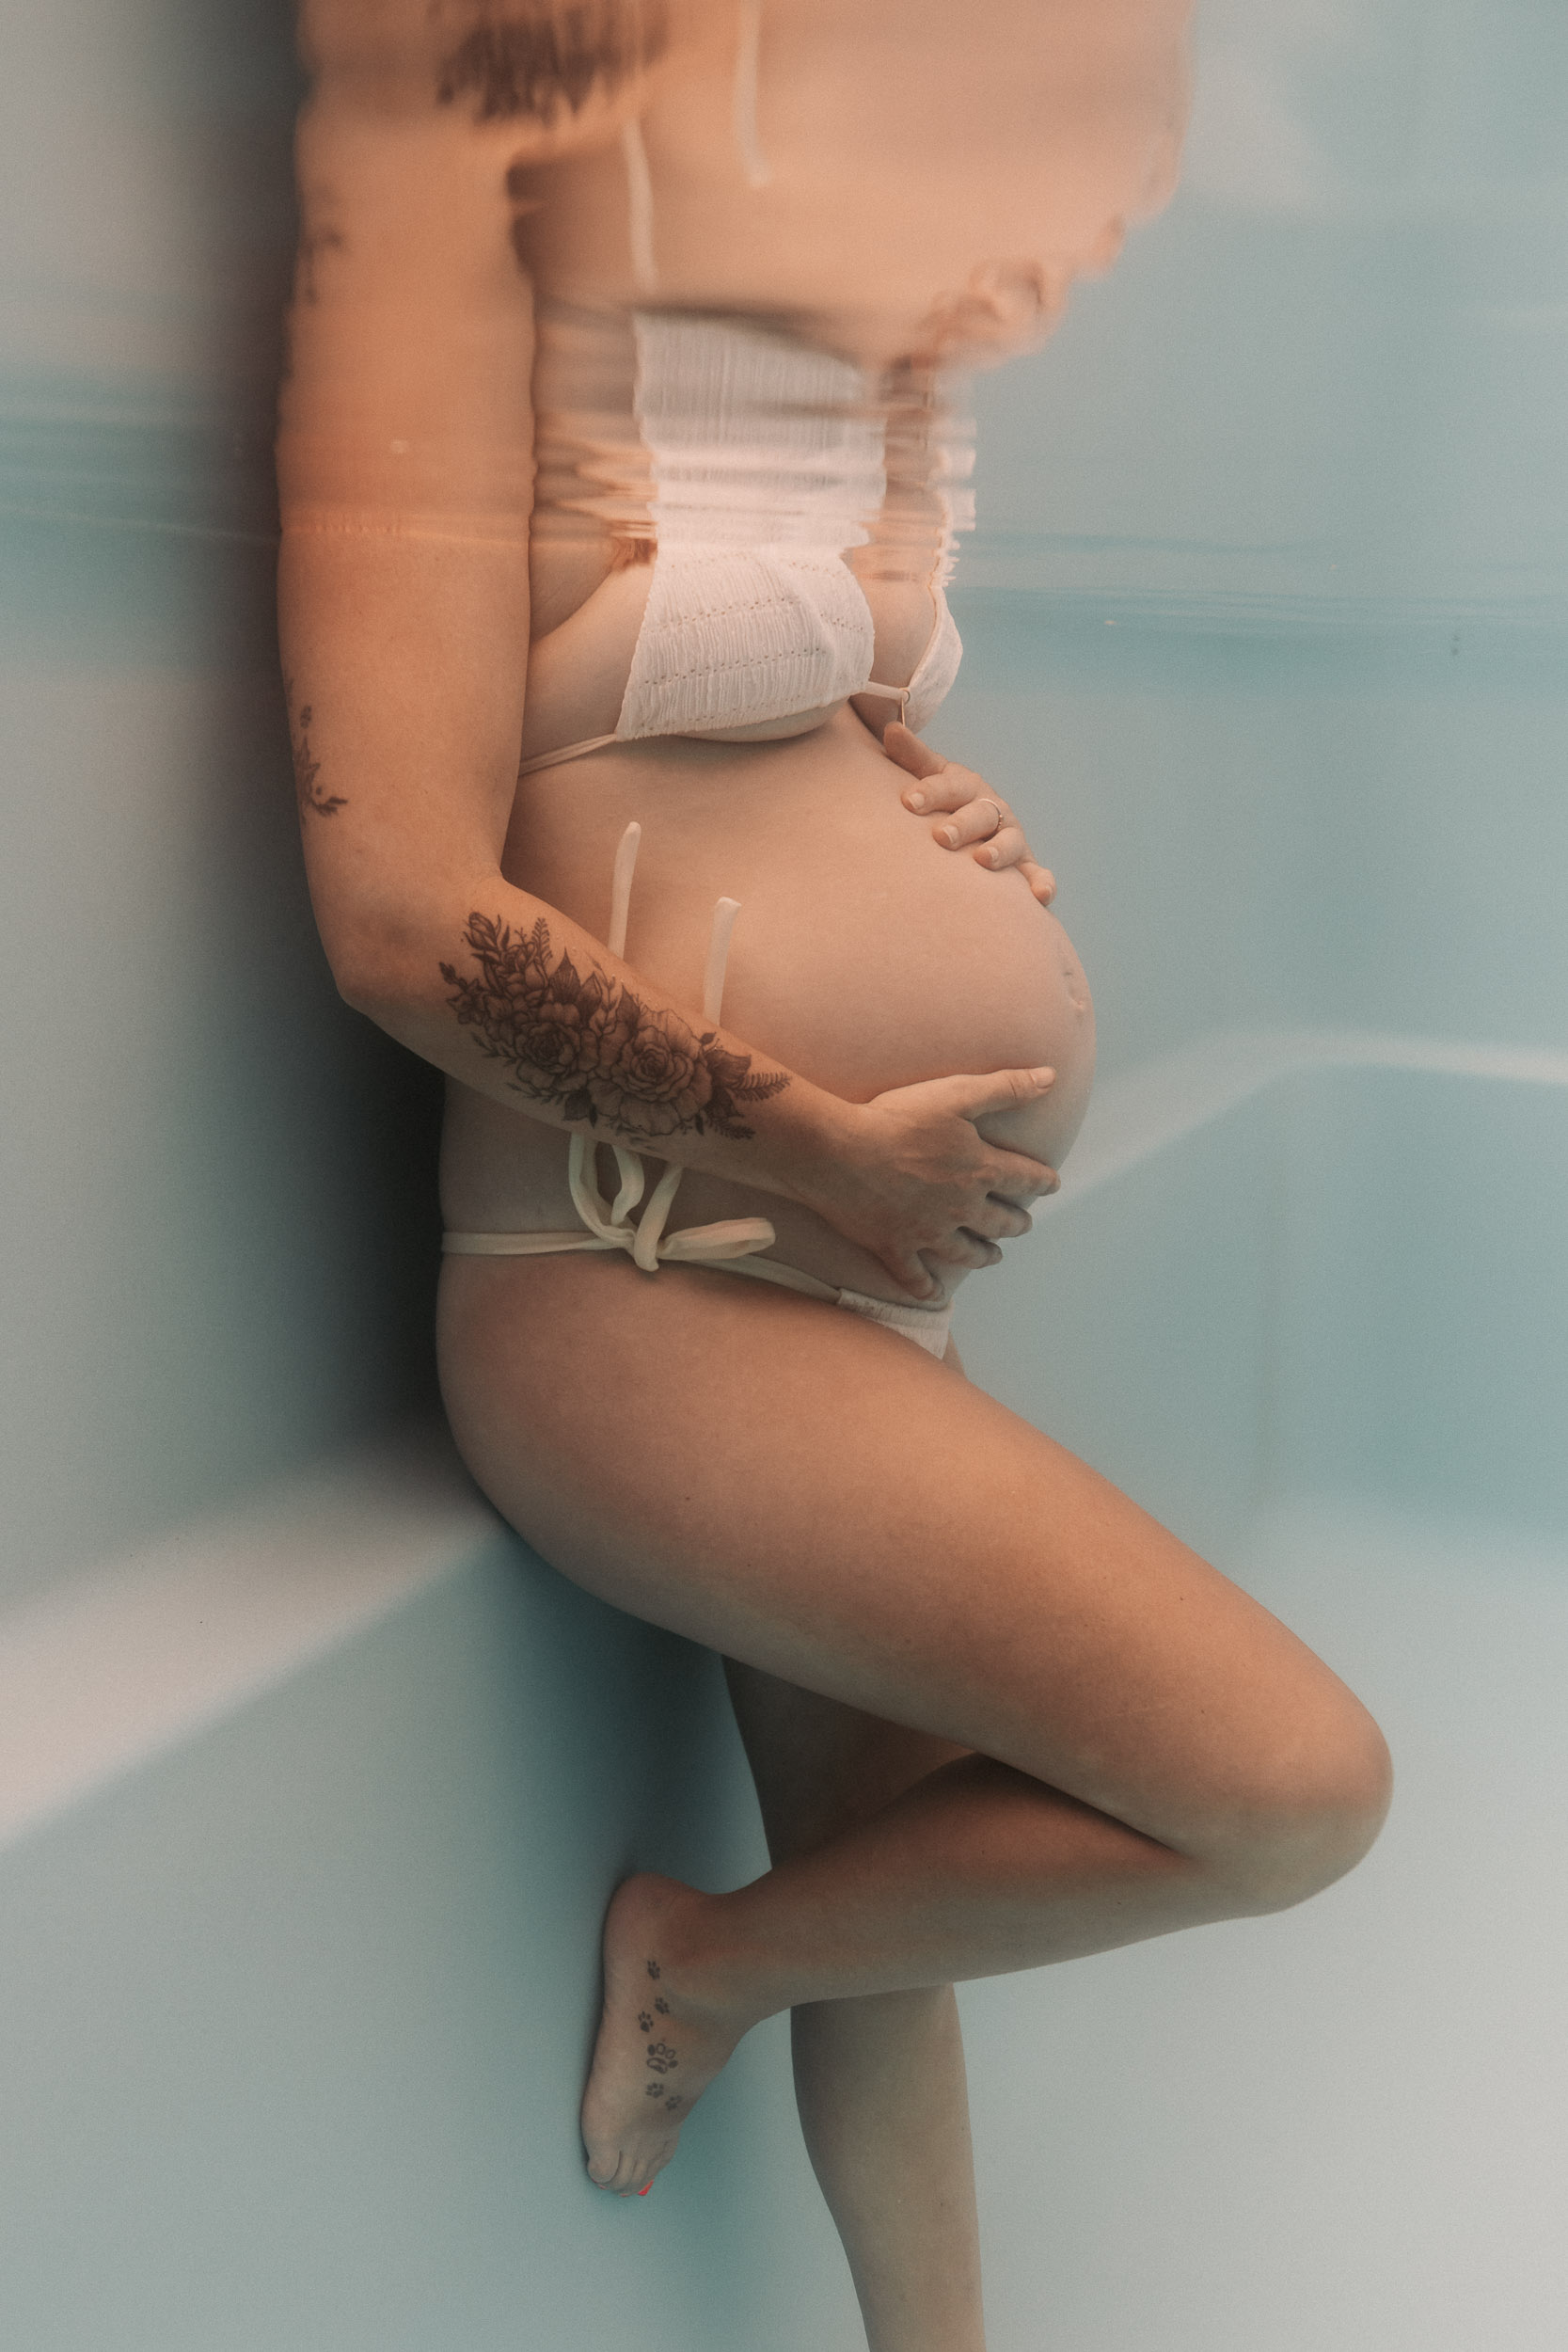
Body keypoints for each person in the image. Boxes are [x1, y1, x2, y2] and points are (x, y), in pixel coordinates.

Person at [277, 5, 1391, 2344]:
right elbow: (396, 913)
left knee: (900, 1881)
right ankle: (700, 1962)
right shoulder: (455, 191)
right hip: (642, 1288)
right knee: (1292, 1786)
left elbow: (722, 689)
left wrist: (907, 782)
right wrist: (812, 1136)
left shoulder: (778, 295)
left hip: (840, 1275)